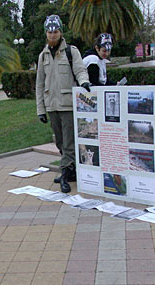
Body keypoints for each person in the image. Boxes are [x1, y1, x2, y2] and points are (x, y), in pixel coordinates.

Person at [36, 14, 91, 193]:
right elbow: (39, 84)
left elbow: (80, 70)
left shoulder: (71, 51)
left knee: (68, 142)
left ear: (60, 32)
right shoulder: (42, 56)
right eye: (50, 32)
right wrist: (40, 110)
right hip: (51, 106)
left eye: (56, 31)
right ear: (46, 33)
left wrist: (84, 83)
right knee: (60, 142)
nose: (53, 35)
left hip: (68, 105)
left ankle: (65, 175)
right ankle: (71, 170)